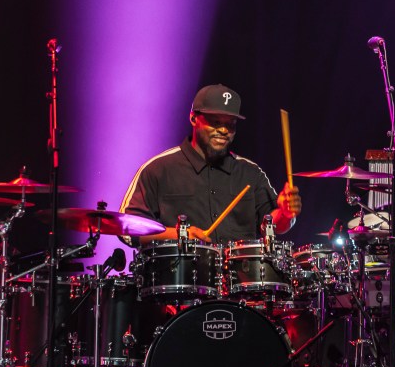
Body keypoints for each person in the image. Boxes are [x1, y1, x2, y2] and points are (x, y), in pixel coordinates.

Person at [119, 83, 301, 245]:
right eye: (215, 122)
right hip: (179, 279)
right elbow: (126, 229)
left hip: (238, 280)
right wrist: (179, 234)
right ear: (193, 118)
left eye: (230, 124)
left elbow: (271, 226)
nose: (223, 130)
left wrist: (285, 213)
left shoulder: (251, 173)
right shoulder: (158, 169)